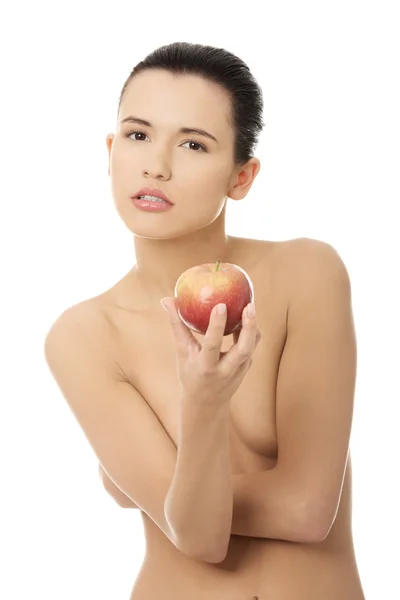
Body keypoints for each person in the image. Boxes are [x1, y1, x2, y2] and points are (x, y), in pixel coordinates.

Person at [44, 42, 365, 599]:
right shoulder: (84, 336)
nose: (156, 165)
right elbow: (201, 540)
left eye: (193, 144)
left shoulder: (307, 272)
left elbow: (309, 509)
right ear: (111, 148)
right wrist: (204, 406)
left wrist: (163, 490)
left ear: (241, 177)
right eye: (138, 135)